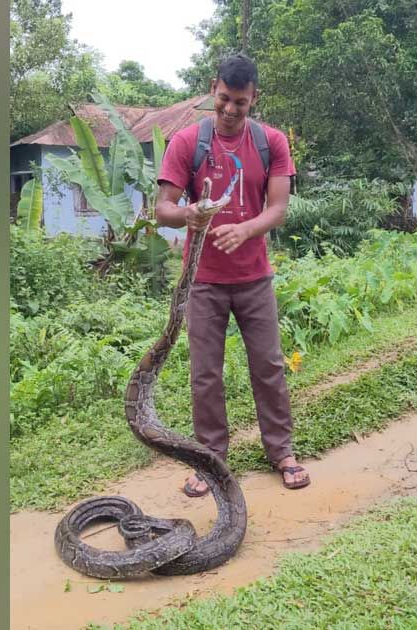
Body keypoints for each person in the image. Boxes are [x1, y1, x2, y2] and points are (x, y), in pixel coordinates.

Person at [155, 53, 311, 497]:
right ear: (213, 89)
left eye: (239, 103)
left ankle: (281, 452)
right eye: (224, 99)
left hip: (255, 278)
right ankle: (210, 461)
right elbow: (162, 210)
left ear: (253, 99)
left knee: (268, 366)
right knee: (206, 374)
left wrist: (246, 228)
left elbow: (278, 209)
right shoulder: (187, 142)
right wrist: (190, 213)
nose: (229, 110)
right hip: (202, 280)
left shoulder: (271, 142)